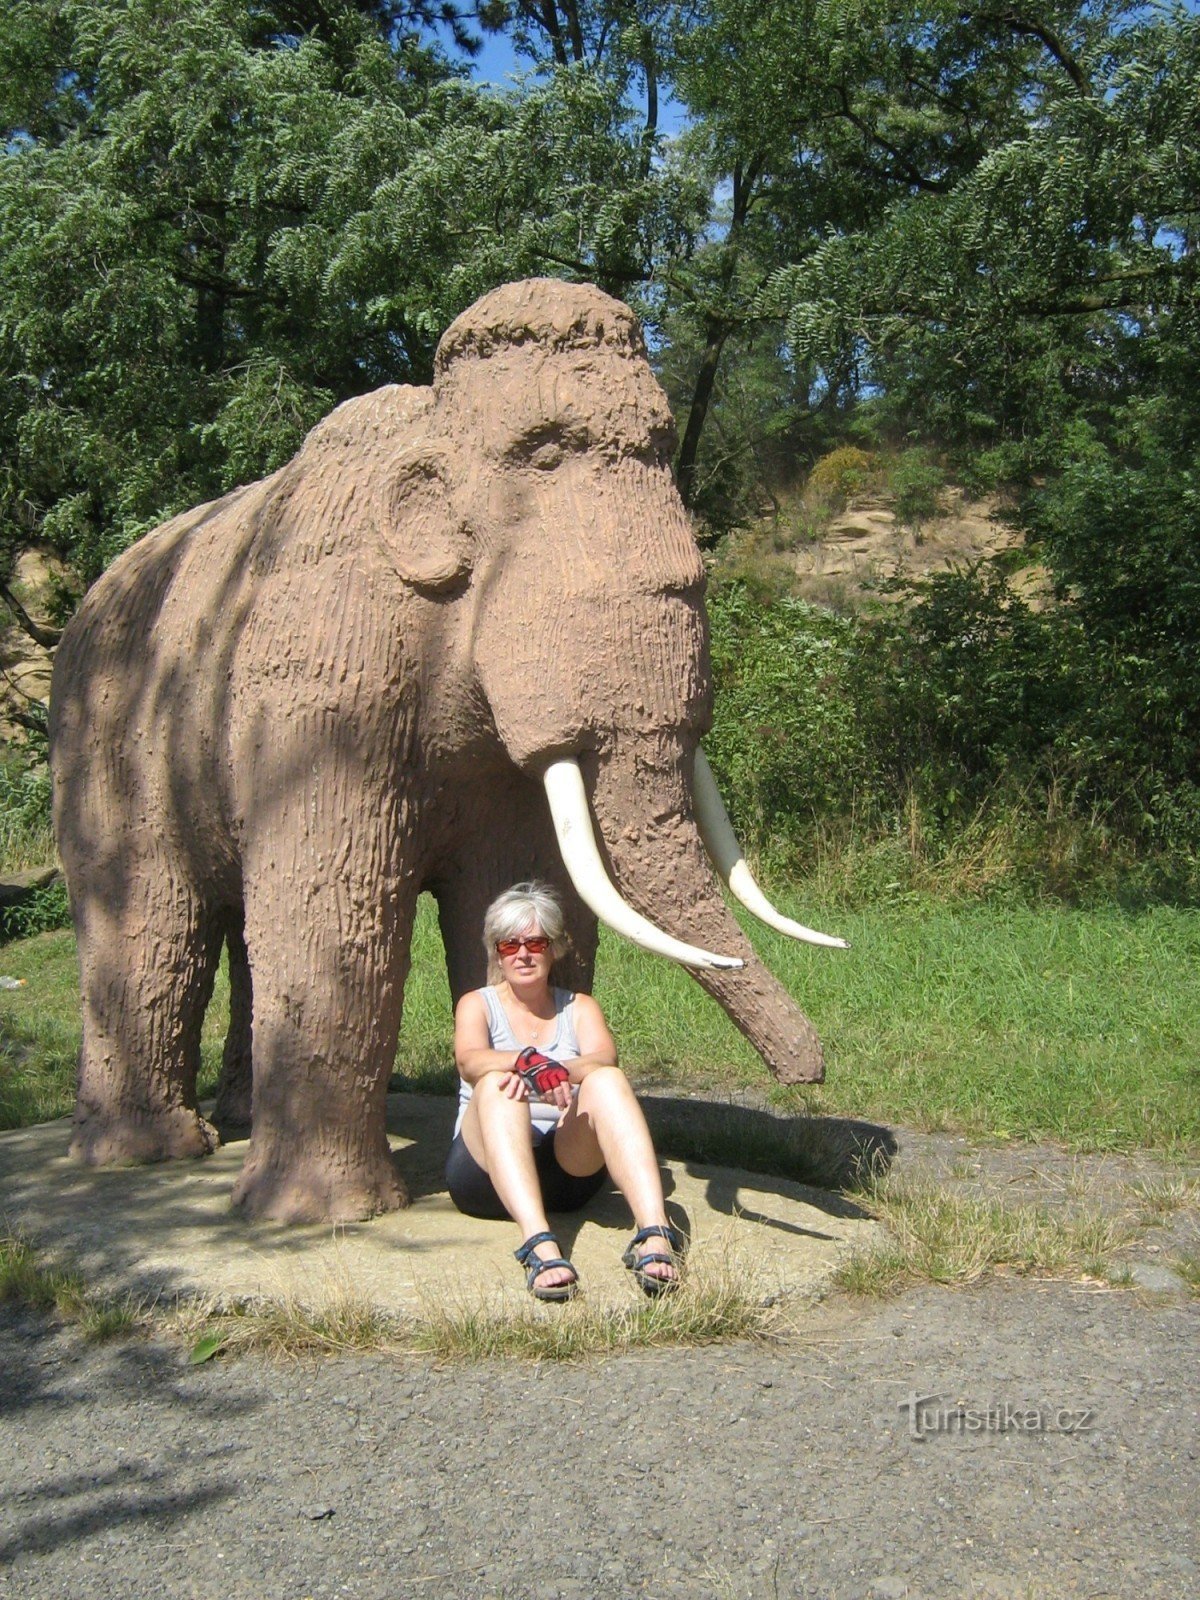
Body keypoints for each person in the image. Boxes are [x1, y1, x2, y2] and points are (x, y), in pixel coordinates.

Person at [447, 881, 684, 1301]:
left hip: (565, 1170)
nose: (522, 954)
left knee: (608, 1080)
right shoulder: (477, 1004)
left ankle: (654, 1233)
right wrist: (523, 1062)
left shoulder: (579, 1007)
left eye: (535, 943)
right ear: (495, 952)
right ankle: (539, 1245)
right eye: (509, 945)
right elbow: (469, 1061)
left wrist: (555, 1069)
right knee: (499, 1086)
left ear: (553, 948)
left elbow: (603, 1058)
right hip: (483, 1176)